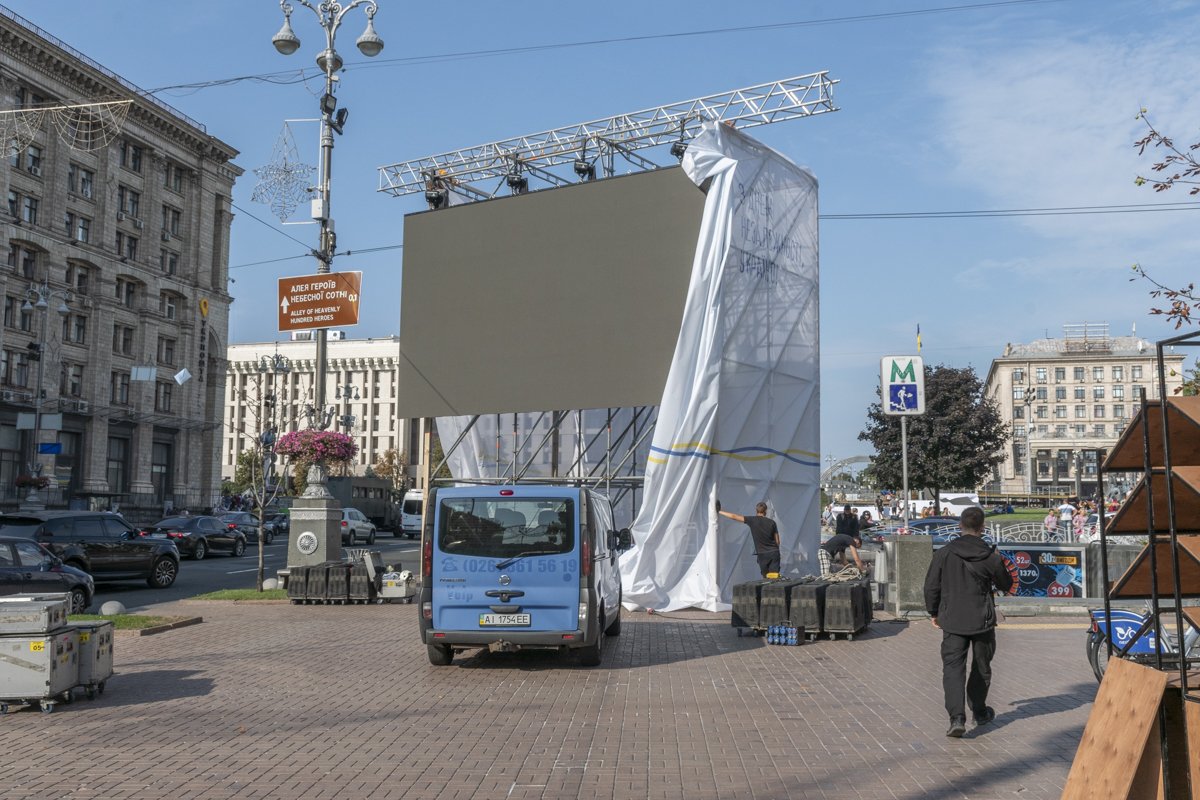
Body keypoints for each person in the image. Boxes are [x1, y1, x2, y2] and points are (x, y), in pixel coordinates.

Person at [922, 506, 1014, 738]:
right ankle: (980, 710)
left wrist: (934, 612)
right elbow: (1006, 584)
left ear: (960, 526)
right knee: (981, 667)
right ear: (982, 528)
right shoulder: (990, 556)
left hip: (952, 619)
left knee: (953, 668)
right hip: (982, 620)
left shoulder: (944, 553)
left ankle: (957, 718)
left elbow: (931, 586)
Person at [717, 499, 780, 578]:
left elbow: (734, 516)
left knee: (766, 578)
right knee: (775, 577)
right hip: (774, 552)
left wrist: (719, 511)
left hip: (762, 554)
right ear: (765, 511)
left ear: (756, 510)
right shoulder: (772, 523)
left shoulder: (752, 520)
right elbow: (777, 541)